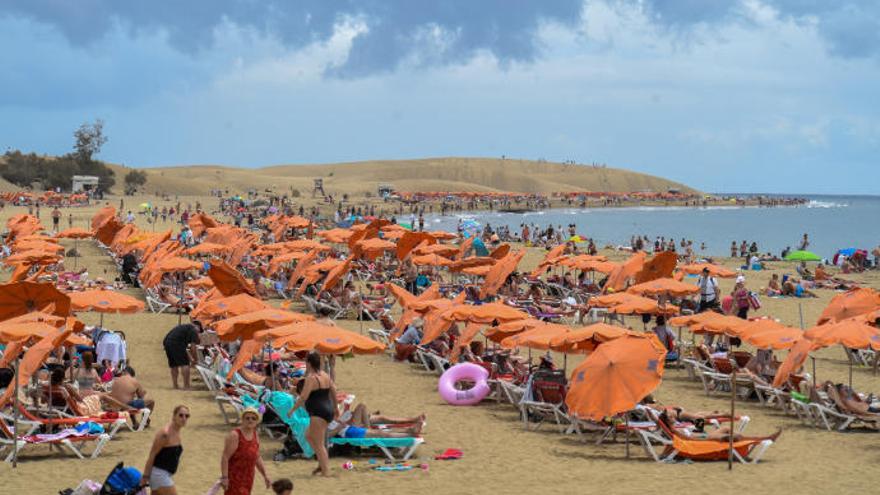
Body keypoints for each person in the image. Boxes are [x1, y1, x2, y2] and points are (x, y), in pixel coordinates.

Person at [287, 352, 337, 476]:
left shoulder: (311, 378)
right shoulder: (325, 375)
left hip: (318, 412)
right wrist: (335, 407)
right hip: (327, 410)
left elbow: (303, 396)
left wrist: (292, 410)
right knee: (308, 435)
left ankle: (326, 472)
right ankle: (321, 464)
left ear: (309, 363)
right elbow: (333, 390)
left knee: (319, 444)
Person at [220, 407, 271, 494]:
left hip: (248, 477)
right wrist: (225, 477)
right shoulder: (235, 435)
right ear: (242, 420)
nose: (250, 420)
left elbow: (256, 456)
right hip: (234, 477)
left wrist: (265, 475)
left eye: (253, 418)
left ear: (257, 421)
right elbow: (225, 457)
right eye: (247, 418)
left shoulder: (255, 434)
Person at [142, 405, 190, 494]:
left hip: (164, 475)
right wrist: (145, 477)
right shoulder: (165, 434)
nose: (184, 418)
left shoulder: (176, 431)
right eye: (181, 415)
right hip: (159, 475)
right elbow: (152, 455)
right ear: (174, 416)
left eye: (187, 416)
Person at [162, 322, 201, 389]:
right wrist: (196, 360)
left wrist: (191, 359)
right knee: (185, 364)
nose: (198, 334)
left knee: (174, 364)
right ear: (198, 327)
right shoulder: (193, 330)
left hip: (167, 342)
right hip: (176, 343)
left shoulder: (184, 328)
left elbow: (184, 350)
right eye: (199, 331)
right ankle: (186, 386)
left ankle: (175, 385)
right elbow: (193, 348)